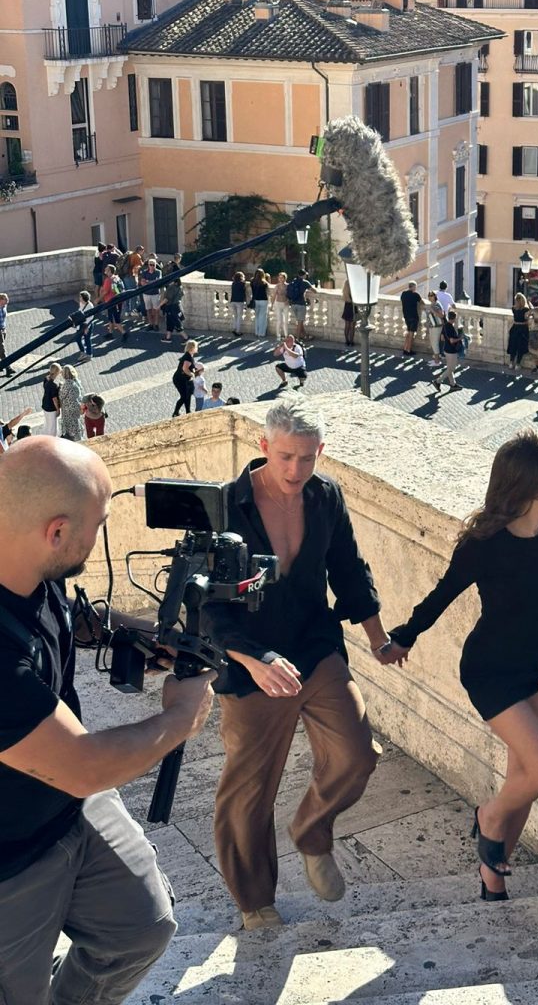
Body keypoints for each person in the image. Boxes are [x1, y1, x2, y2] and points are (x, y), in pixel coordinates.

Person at [0, 437, 214, 1004]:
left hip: (68, 806)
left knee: (141, 929)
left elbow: (63, 614)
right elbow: (83, 766)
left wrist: (132, 635)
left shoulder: (22, 555)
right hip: (11, 860)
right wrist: (181, 717)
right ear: (56, 532)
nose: (102, 535)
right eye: (99, 524)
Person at [201, 401, 389, 930]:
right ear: (263, 446)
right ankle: (255, 902)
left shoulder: (326, 495)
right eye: (285, 456)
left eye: (307, 458)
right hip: (250, 661)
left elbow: (350, 570)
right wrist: (253, 660)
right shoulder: (225, 507)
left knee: (357, 753)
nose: (295, 469)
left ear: (320, 452)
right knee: (249, 789)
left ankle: (311, 830)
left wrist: (378, 639)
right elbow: (206, 606)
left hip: (313, 646)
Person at [387, 431, 538, 903]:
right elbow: (443, 594)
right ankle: (488, 816)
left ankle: (494, 880)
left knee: (524, 780)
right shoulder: (484, 544)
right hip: (491, 671)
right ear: (528, 480)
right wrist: (404, 635)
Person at [432, 308, 463, 393]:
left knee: (449, 368)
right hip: (451, 351)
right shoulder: (450, 327)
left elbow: (442, 338)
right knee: (451, 369)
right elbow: (452, 341)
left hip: (446, 349)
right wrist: (460, 338)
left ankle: (453, 384)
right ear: (454, 318)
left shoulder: (445, 326)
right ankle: (437, 381)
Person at [58, 365, 85, 442]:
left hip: (68, 408)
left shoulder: (67, 384)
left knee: (70, 426)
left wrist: (60, 388)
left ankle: (75, 440)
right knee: (77, 422)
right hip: (77, 405)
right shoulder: (76, 381)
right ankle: (79, 437)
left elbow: (61, 396)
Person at [172, 339, 198, 416]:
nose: (197, 348)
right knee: (184, 396)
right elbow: (185, 369)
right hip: (180, 380)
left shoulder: (189, 355)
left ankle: (188, 411)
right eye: (196, 347)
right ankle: (176, 412)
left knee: (188, 394)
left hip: (185, 379)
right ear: (192, 348)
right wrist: (192, 374)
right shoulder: (188, 357)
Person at [506, 292, 532, 371]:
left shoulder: (514, 309)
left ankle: (511, 363)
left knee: (513, 345)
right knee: (521, 346)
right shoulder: (526, 310)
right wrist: (529, 303)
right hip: (523, 329)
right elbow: (529, 314)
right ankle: (518, 364)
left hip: (515, 328)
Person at [288, 270, 315, 342]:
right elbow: (314, 291)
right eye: (306, 275)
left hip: (293, 304)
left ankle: (305, 335)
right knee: (300, 322)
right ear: (304, 275)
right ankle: (297, 339)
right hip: (301, 304)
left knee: (300, 321)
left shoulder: (293, 281)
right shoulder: (305, 282)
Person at [98, 265, 125, 337]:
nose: (105, 270)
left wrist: (98, 299)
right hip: (118, 301)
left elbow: (105, 292)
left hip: (112, 302)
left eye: (106, 269)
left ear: (110, 271)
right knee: (110, 318)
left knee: (116, 320)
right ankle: (110, 333)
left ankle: (124, 333)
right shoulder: (117, 278)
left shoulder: (108, 280)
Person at [401, 281, 424, 355]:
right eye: (415, 287)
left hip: (406, 316)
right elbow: (422, 302)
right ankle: (408, 350)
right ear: (413, 287)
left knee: (408, 332)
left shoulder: (403, 294)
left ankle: (405, 349)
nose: (416, 288)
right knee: (411, 334)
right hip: (413, 316)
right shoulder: (415, 295)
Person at [160, 276, 185, 344]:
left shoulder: (171, 288)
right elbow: (182, 294)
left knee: (177, 323)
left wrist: (159, 305)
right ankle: (168, 337)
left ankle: (186, 338)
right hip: (177, 307)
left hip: (171, 307)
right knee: (170, 322)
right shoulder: (180, 287)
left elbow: (167, 299)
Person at [140, 259, 162, 331]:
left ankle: (156, 324)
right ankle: (151, 324)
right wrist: (152, 282)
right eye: (150, 264)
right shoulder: (144, 272)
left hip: (155, 294)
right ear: (148, 265)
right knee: (148, 310)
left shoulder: (158, 272)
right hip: (146, 294)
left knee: (156, 310)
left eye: (153, 265)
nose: (152, 266)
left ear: (155, 265)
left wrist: (147, 281)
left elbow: (158, 281)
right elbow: (142, 283)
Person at [424, 291, 444, 368]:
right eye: (429, 295)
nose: (430, 297)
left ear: (435, 296)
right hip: (432, 326)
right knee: (433, 343)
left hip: (437, 327)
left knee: (435, 343)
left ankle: (437, 362)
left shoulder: (437, 304)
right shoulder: (432, 304)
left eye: (431, 295)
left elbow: (442, 315)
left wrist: (432, 311)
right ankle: (436, 359)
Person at [41, 363, 62, 436]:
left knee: (47, 423)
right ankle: (52, 438)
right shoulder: (53, 385)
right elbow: (54, 399)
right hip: (51, 407)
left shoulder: (46, 378)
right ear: (56, 372)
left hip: (45, 404)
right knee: (52, 426)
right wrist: (58, 409)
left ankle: (45, 436)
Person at [271, 272, 292, 342]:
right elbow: (274, 295)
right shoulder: (277, 286)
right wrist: (272, 305)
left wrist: (288, 300)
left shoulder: (288, 286)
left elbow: (290, 295)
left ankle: (286, 335)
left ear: (285, 278)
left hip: (285, 304)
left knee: (286, 321)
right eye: (279, 278)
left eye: (282, 278)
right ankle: (278, 335)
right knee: (279, 321)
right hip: (278, 303)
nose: (280, 279)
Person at [250, 269, 270, 340]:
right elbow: (267, 291)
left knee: (257, 317)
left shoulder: (252, 282)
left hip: (256, 300)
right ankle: (261, 333)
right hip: (263, 300)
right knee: (262, 317)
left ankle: (257, 332)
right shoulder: (264, 283)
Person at [230, 271, 249, 337]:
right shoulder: (243, 284)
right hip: (239, 302)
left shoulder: (233, 283)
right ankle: (238, 331)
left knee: (235, 316)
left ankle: (234, 328)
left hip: (233, 301)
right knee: (239, 317)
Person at [341, 280, 355, 346]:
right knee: (352, 326)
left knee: (347, 325)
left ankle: (347, 341)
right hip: (353, 306)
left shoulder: (346, 286)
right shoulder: (354, 285)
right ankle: (351, 342)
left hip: (347, 306)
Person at [0, 291, 10, 375]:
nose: (7, 301)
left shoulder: (4, 306)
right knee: (2, 349)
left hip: (3, 329)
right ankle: (8, 367)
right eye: (5, 299)